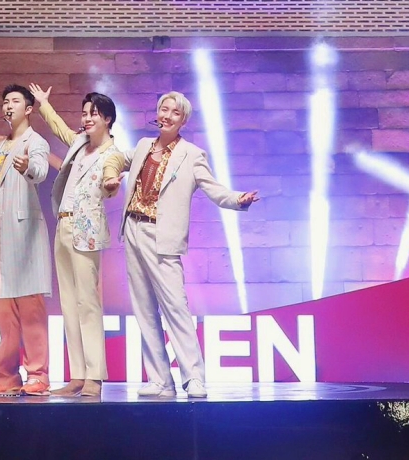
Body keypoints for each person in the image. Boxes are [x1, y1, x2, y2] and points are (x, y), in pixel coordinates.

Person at [103, 91, 260, 399]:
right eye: (164, 109)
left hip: (162, 235)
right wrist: (111, 174)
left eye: (175, 113)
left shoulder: (191, 154)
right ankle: (160, 380)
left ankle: (194, 378)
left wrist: (237, 199)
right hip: (133, 228)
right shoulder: (143, 146)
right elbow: (116, 158)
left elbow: (214, 189)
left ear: (183, 120)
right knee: (144, 309)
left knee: (176, 308)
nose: (168, 116)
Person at [29, 83, 118, 398]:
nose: (87, 118)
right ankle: (78, 374)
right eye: (84, 113)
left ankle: (95, 375)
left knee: (87, 303)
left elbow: (111, 178)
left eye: (93, 113)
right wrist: (43, 104)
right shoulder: (79, 144)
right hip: (63, 226)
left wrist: (110, 186)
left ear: (107, 119)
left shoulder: (112, 153)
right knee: (68, 303)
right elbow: (60, 129)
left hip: (86, 231)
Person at [0, 85, 52, 397]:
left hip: (24, 232)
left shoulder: (36, 142)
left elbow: (40, 171)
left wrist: (28, 167)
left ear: (29, 109)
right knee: (3, 309)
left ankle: (38, 374)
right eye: (5, 101)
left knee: (30, 306)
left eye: (15, 101)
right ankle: (6, 375)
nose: (8, 106)